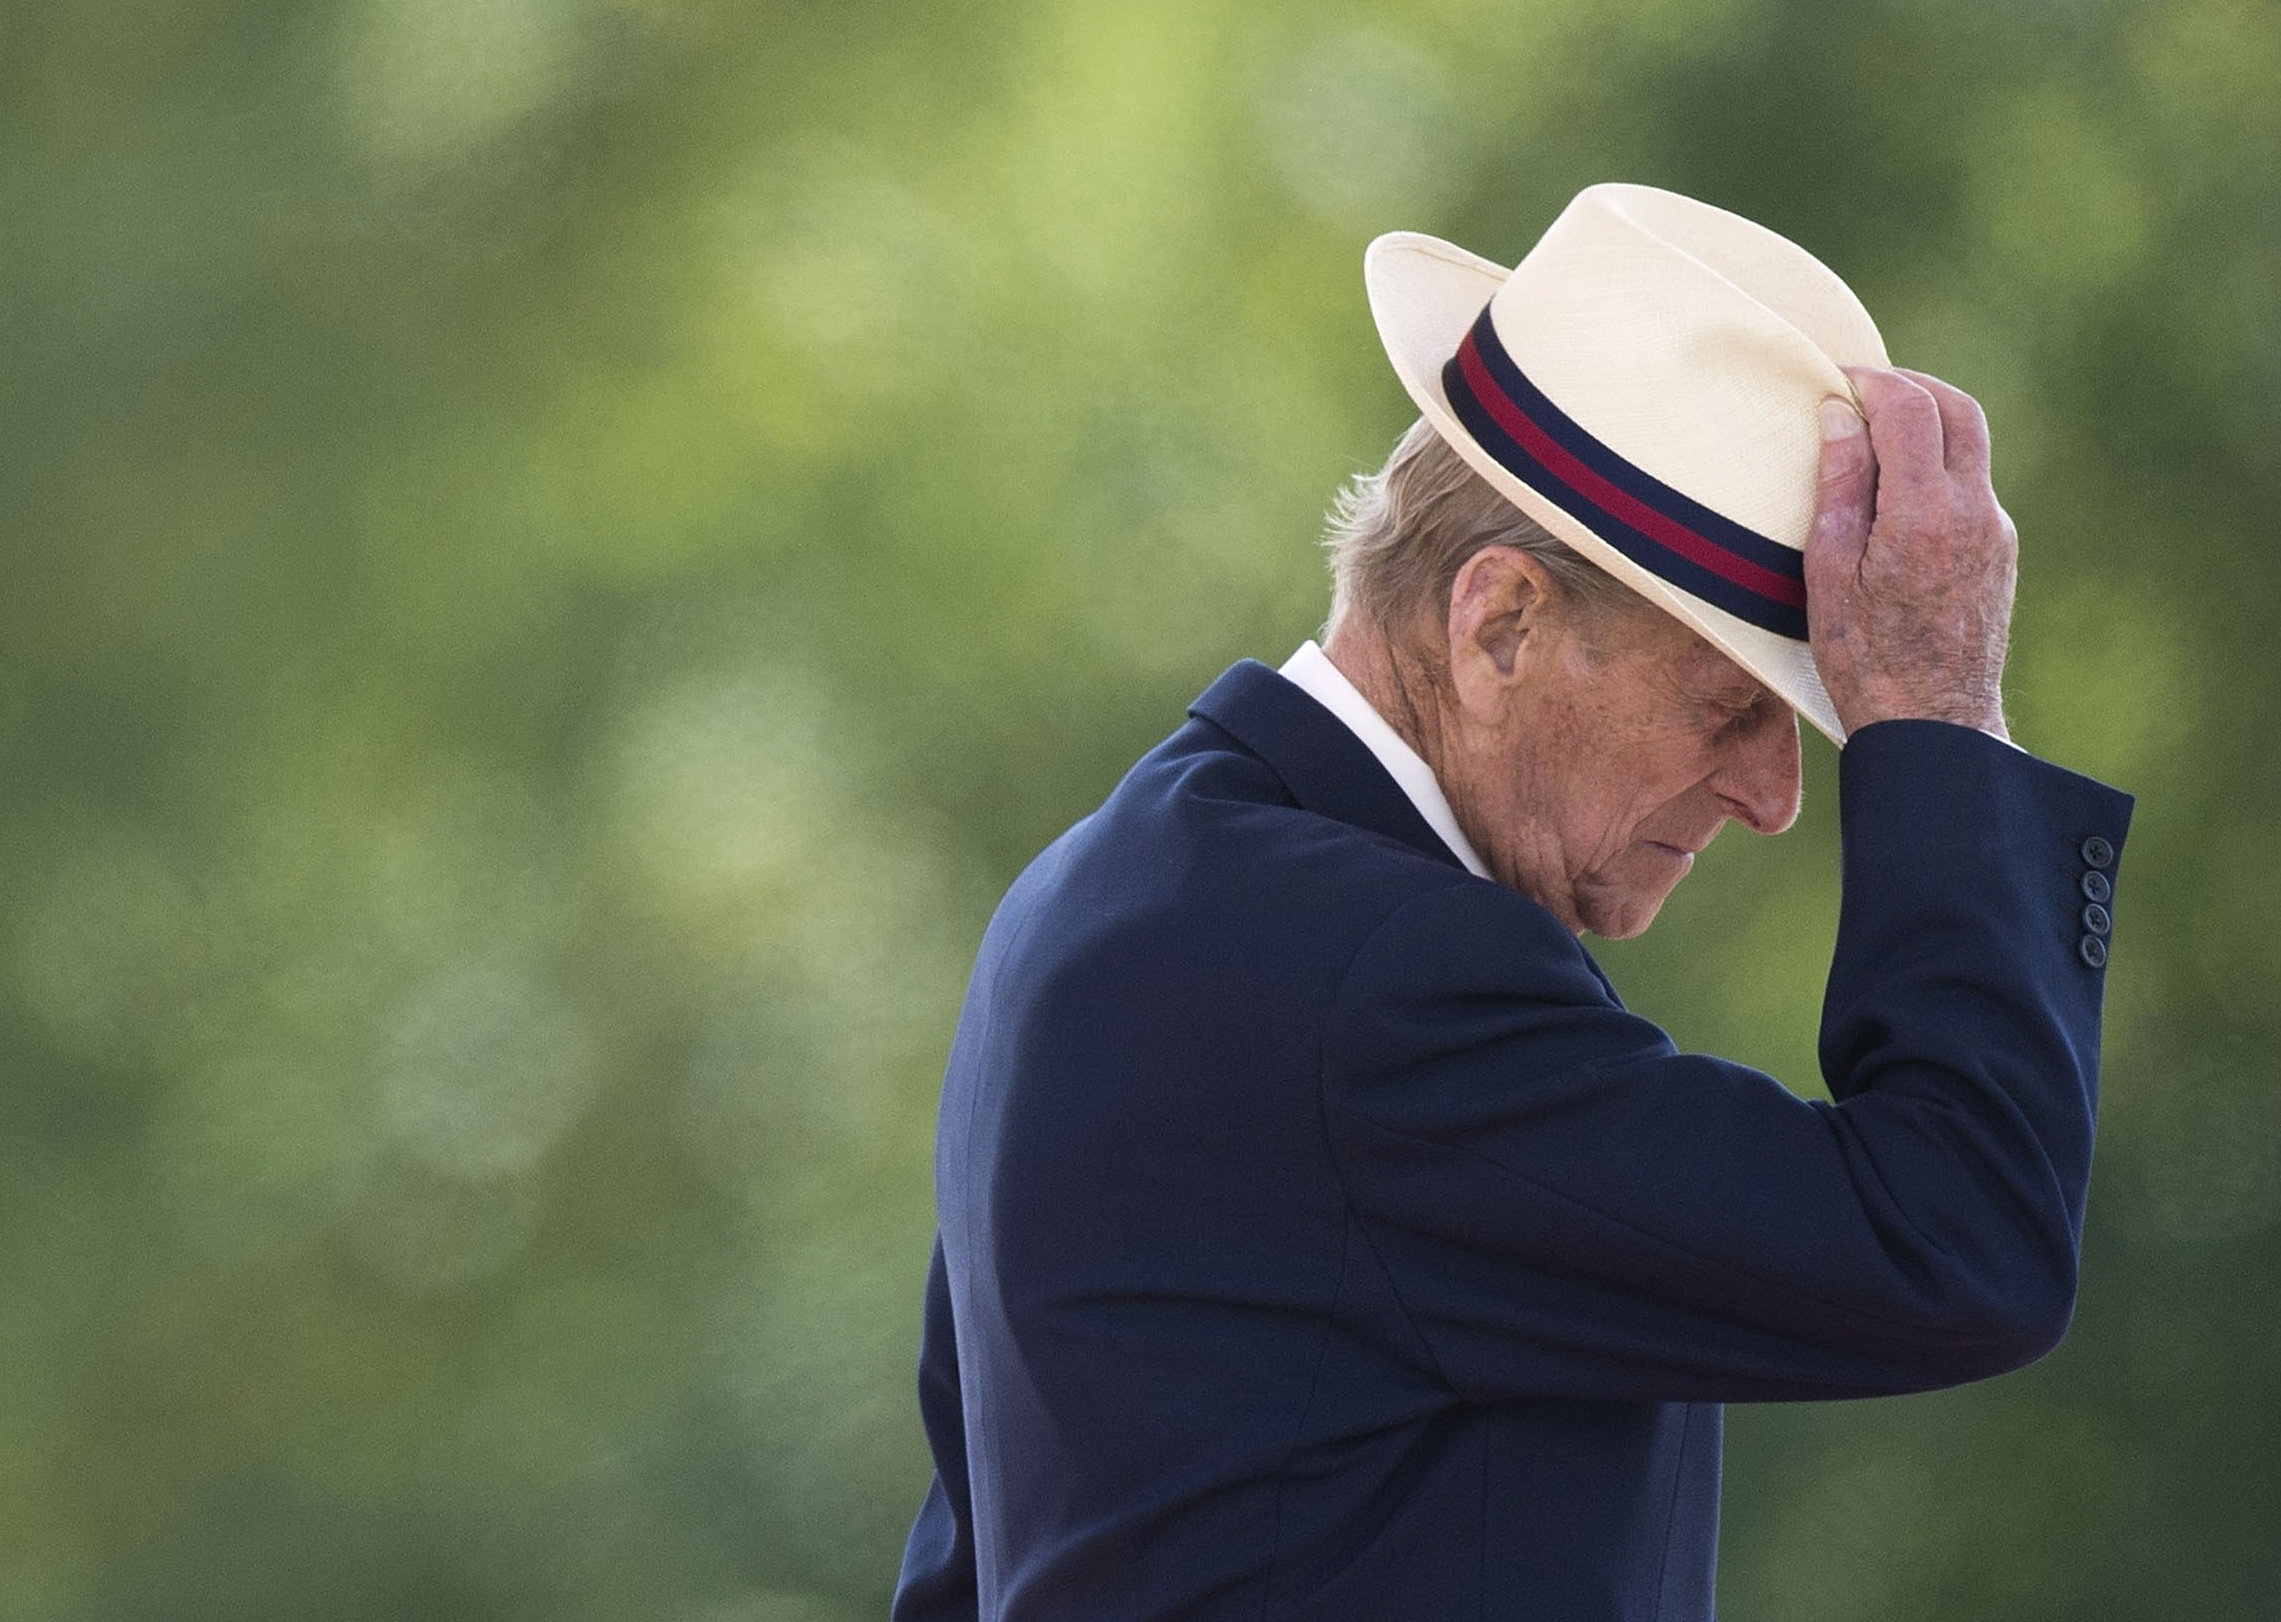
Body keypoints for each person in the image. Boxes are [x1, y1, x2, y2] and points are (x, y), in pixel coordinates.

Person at [890, 183, 2137, 1621]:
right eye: (1732, 706)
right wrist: (1937, 719)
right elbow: (1960, 1244)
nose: (1775, 796)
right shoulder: (1376, 974)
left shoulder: (1103, 895)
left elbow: (966, 1567)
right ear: (1499, 623)